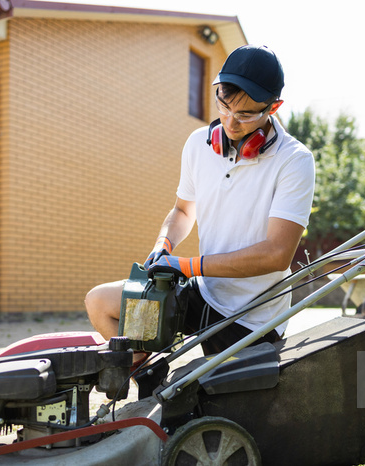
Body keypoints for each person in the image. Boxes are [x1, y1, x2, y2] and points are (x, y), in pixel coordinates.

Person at [85, 44, 315, 356]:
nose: (230, 123)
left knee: (208, 400)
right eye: (224, 107)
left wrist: (188, 266)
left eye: (245, 114)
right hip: (203, 293)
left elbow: (277, 254)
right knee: (99, 302)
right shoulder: (197, 144)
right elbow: (183, 210)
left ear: (273, 108)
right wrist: (162, 246)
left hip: (254, 316)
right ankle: (146, 373)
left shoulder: (295, 160)